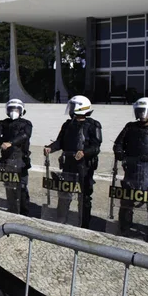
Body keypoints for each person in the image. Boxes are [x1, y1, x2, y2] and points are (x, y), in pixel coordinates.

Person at [44, 95, 102, 228]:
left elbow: (96, 146)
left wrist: (84, 152)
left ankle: (84, 223)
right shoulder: (67, 124)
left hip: (84, 166)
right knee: (64, 192)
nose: (70, 109)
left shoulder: (93, 125)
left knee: (84, 195)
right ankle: (61, 219)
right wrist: (50, 148)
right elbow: (60, 142)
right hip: (68, 164)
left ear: (80, 108)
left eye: (72, 106)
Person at [112, 97, 148, 241]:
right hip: (131, 171)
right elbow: (118, 143)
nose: (142, 114)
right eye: (139, 111)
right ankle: (124, 229)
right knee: (127, 201)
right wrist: (119, 151)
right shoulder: (130, 127)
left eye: (145, 112)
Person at [0, 99, 32, 215]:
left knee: (21, 186)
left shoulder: (26, 123)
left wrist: (11, 143)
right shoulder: (3, 123)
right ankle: (12, 209)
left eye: (16, 109)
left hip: (20, 159)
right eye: (11, 109)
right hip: (7, 159)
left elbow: (25, 135)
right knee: (9, 185)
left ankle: (24, 212)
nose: (14, 111)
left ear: (21, 110)